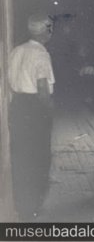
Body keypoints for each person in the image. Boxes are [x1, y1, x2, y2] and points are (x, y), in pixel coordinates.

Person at [8, 14, 56, 219]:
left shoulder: (16, 50)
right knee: (39, 156)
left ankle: (21, 205)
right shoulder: (41, 54)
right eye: (50, 28)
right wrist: (49, 110)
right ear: (45, 31)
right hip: (35, 107)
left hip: (17, 105)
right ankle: (33, 205)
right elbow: (43, 87)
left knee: (20, 156)